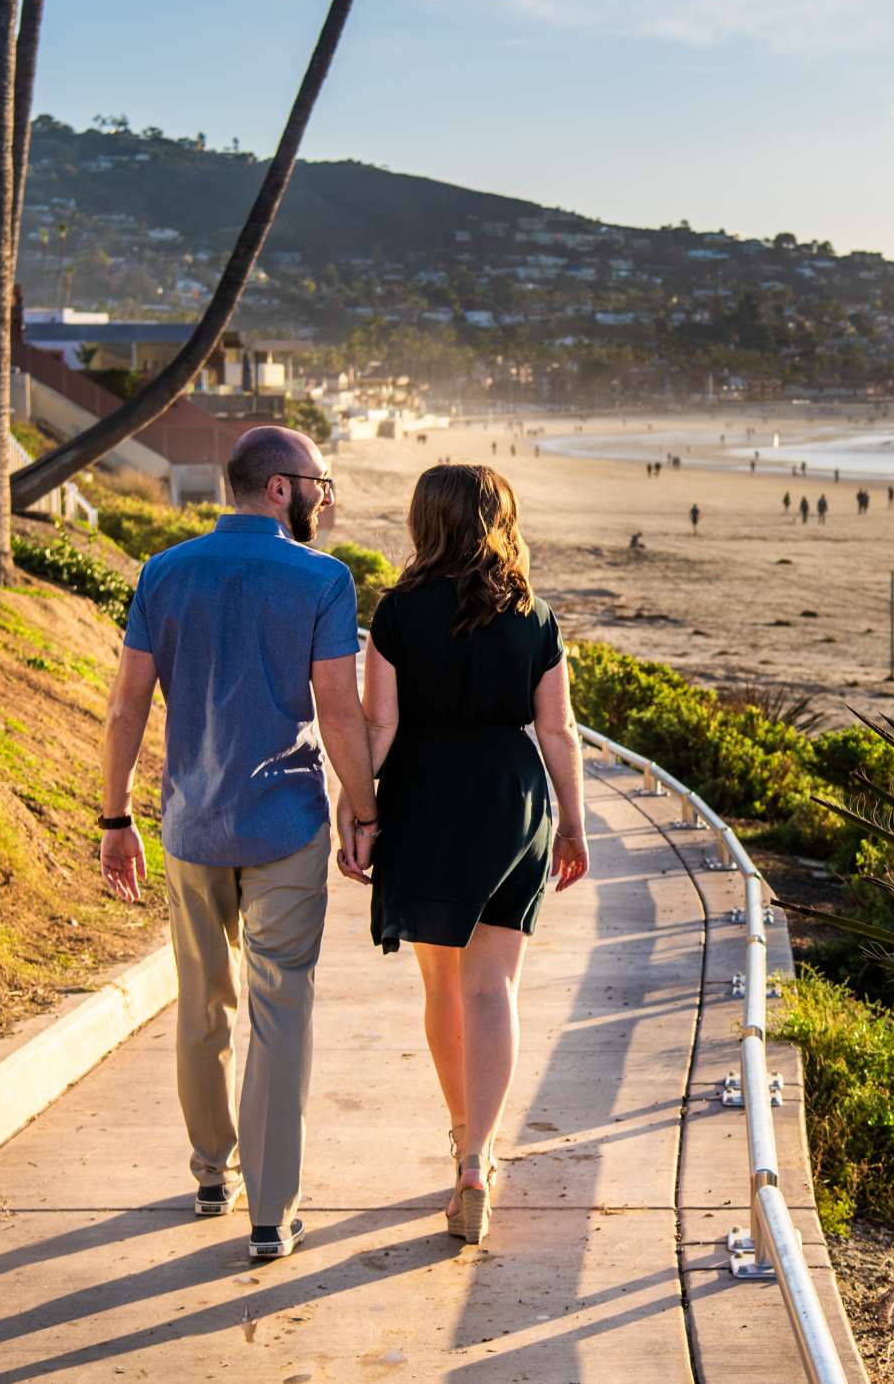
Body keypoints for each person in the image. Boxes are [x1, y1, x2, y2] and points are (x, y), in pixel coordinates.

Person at [97, 426, 373, 1264]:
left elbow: (125, 708)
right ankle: (272, 1214)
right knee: (280, 1010)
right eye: (321, 484)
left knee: (201, 1003)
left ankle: (211, 1172)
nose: (326, 498)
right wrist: (365, 814)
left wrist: (116, 820)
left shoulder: (164, 572)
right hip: (285, 825)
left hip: (189, 828)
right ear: (282, 489)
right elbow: (339, 709)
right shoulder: (323, 579)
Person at [349, 465, 590, 1248]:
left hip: (422, 795)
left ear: (426, 522)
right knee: (494, 986)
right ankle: (479, 1160)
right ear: (501, 519)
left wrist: (355, 810)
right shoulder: (534, 616)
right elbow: (557, 732)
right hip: (507, 800)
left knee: (441, 984)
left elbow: (376, 729)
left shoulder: (396, 614)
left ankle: (461, 1132)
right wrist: (573, 824)